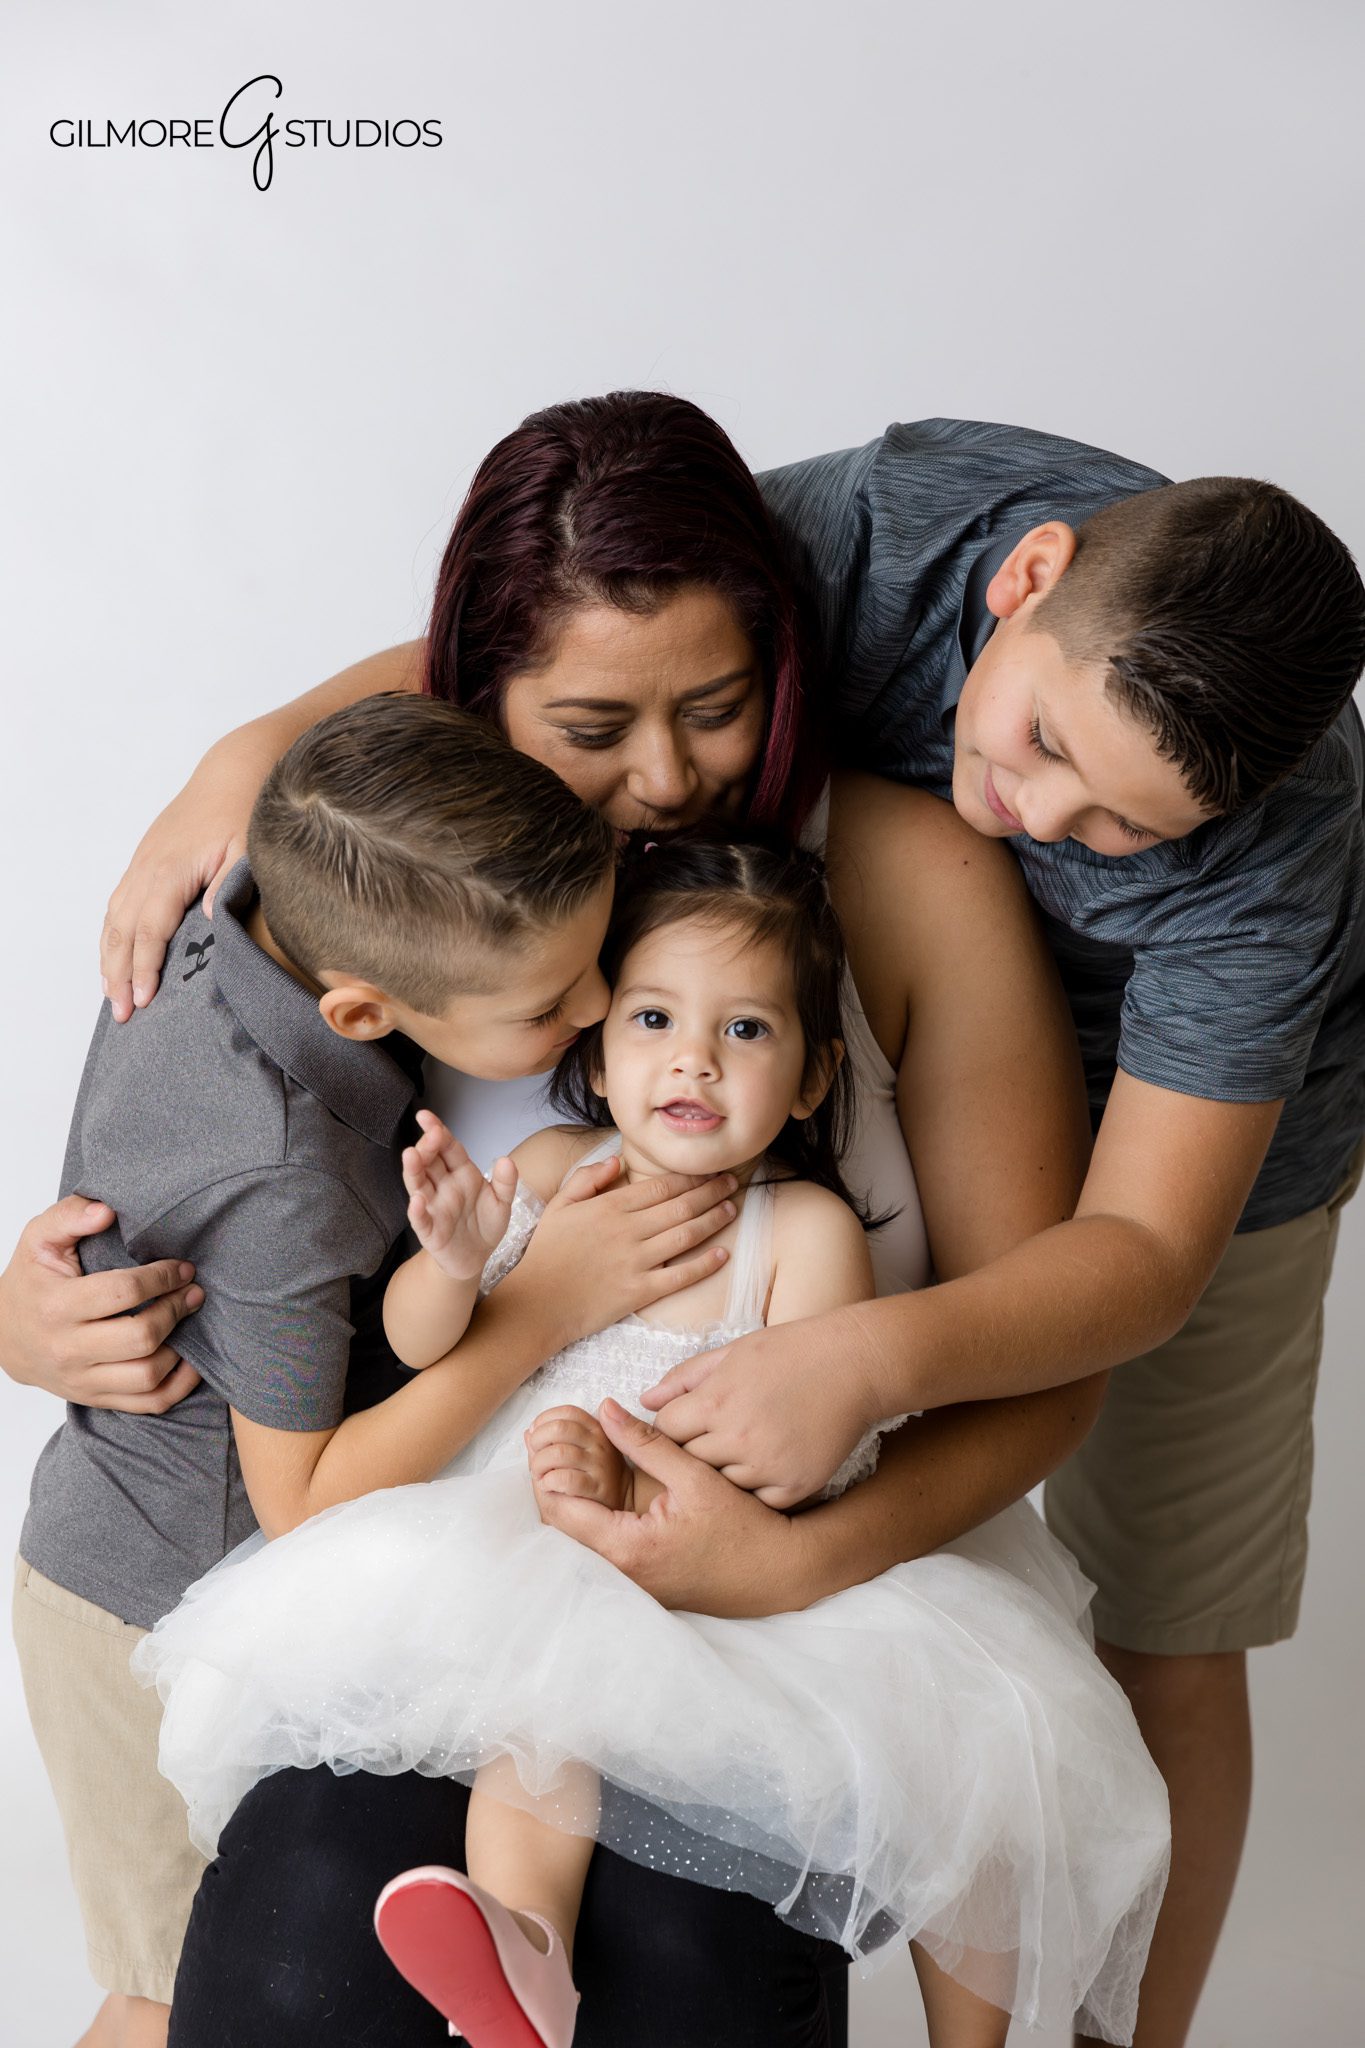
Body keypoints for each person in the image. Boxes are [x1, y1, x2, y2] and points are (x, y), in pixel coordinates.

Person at [2, 393, 1118, 2048]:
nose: (665, 778)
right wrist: (49, 1302)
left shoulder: (904, 884)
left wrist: (794, 1547)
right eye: (592, 727)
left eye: (721, 707)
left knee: (677, 1967)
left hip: (787, 1578)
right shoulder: (425, 871)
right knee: (303, 1943)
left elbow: (1045, 1344)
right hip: (438, 1545)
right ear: (476, 701)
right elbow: (211, 1150)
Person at [134, 837, 1169, 2048]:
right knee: (544, 1713)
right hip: (533, 1547)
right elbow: (423, 1343)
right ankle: (521, 1948)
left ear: (812, 1077)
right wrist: (459, 1256)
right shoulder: (558, 1169)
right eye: (657, 1017)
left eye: (746, 1031)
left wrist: (645, 1474)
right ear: (601, 1045)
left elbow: (826, 1454)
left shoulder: (803, 1229)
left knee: (974, 1744)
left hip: (719, 1577)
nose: (694, 1055)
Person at [12, 694, 751, 2048]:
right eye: (549, 1004)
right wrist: (537, 1310)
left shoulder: (258, 899)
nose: (595, 1010)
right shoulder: (282, 1166)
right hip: (148, 1591)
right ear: (358, 1007)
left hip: (193, 1554)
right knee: (173, 1985)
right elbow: (301, 1496)